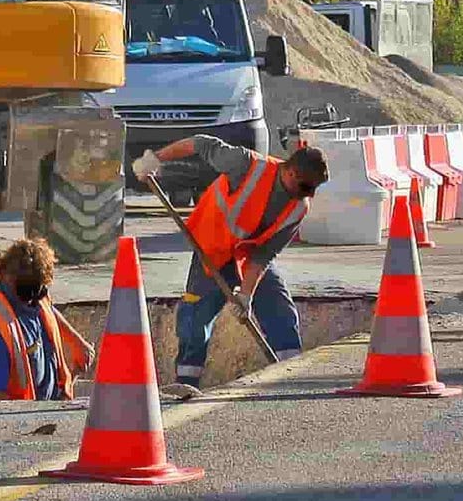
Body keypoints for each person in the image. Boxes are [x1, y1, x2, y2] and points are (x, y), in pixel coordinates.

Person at [132, 135, 329, 397]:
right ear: (291, 172)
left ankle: (289, 374)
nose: (308, 194)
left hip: (245, 258)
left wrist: (246, 294)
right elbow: (199, 143)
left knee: (279, 307)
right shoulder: (246, 165)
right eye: (306, 186)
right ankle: (187, 385)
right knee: (195, 317)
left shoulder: (298, 207)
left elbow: (264, 255)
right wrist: (154, 159)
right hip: (211, 251)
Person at [0, 238, 94, 401]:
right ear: (11, 281)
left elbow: (46, 307)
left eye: (39, 292)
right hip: (4, 420)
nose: (36, 300)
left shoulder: (32, 293)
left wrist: (76, 341)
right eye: (32, 295)